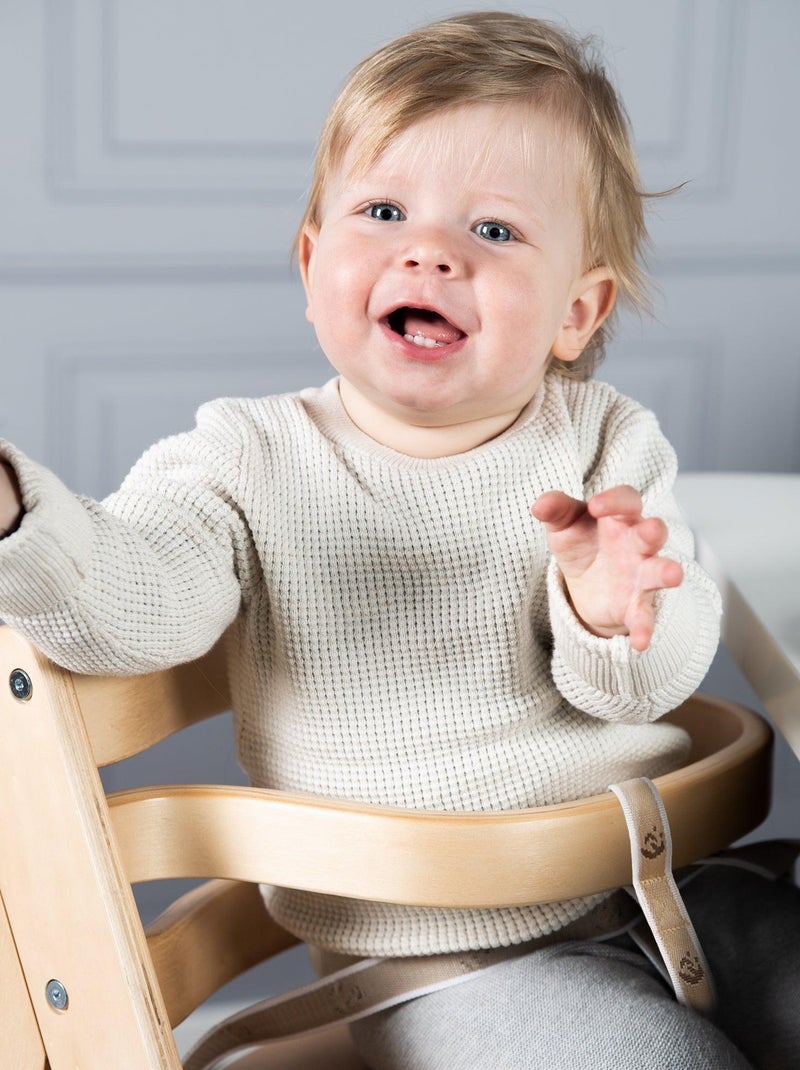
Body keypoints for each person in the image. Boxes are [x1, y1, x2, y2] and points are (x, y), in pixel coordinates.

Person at [0, 11, 797, 1069]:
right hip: (459, 965)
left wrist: (616, 616)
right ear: (310, 259)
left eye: (495, 231)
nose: (429, 248)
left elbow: (643, 685)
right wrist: (22, 517)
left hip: (676, 889)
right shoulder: (246, 456)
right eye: (383, 211)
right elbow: (135, 600)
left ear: (576, 309)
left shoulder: (605, 439)